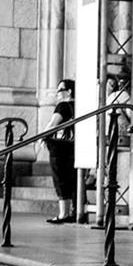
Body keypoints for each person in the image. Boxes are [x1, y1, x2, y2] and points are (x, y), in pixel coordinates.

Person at [39, 78, 76, 224]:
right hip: (74, 145)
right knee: (72, 179)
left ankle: (63, 214)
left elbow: (53, 124)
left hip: (59, 146)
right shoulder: (80, 106)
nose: (57, 93)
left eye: (60, 90)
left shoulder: (63, 106)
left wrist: (42, 137)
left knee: (60, 179)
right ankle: (76, 211)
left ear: (69, 91)